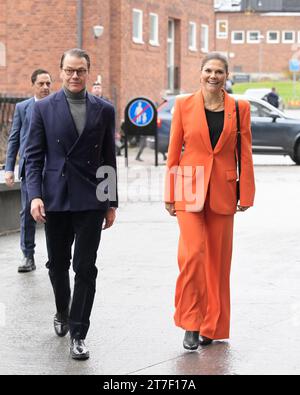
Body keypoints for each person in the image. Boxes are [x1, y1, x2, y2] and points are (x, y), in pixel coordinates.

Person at [25, 48, 118, 360]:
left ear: (88, 72)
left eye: (81, 71)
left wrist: (110, 202)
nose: (75, 76)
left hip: (91, 198)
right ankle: (62, 311)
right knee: (57, 265)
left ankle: (79, 332)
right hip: (56, 196)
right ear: (61, 71)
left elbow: (108, 158)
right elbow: (33, 157)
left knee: (85, 268)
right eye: (69, 70)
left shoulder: (104, 109)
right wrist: (35, 195)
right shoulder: (43, 109)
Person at [164, 52, 255, 350]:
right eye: (208, 70)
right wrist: (169, 193)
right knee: (192, 255)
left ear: (226, 76)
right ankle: (190, 323)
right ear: (200, 73)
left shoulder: (239, 108)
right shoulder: (183, 105)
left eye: (218, 71)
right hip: (189, 188)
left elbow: (244, 153)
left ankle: (212, 326)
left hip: (224, 190)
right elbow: (174, 151)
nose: (212, 76)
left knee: (218, 263)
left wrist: (247, 193)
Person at [4, 69, 52, 273]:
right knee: (27, 214)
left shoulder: (56, 106)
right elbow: (14, 138)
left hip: (52, 170)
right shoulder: (23, 108)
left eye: (48, 83)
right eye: (41, 84)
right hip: (29, 169)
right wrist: (9, 168)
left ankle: (55, 257)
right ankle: (28, 256)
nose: (45, 87)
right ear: (33, 85)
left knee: (54, 214)